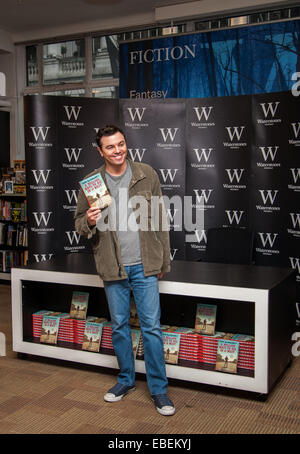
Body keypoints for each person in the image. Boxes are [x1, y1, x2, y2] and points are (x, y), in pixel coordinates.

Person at [74, 124, 175, 416]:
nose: (117, 150)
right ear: (100, 151)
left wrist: (163, 261)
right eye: (110, 147)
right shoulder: (92, 182)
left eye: (121, 144)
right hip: (112, 266)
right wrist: (90, 221)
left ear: (125, 144)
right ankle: (126, 380)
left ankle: (159, 390)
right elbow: (79, 223)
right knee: (119, 326)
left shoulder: (146, 174)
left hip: (145, 265)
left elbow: (159, 219)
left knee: (151, 328)